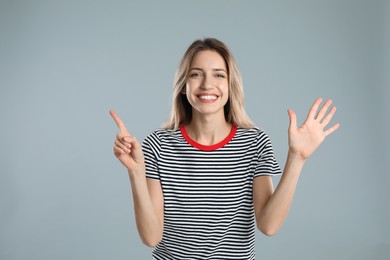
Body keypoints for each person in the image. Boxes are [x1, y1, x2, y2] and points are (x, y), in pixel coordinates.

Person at [109, 38, 340, 259]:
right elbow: (151, 238)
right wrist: (136, 172)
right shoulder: (158, 145)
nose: (207, 84)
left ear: (231, 85)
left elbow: (269, 226)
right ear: (183, 85)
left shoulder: (255, 143)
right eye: (196, 74)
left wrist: (297, 158)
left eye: (218, 75)